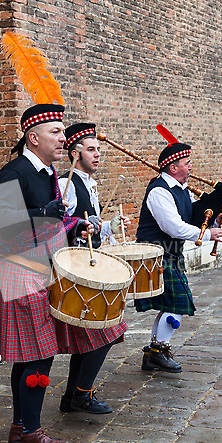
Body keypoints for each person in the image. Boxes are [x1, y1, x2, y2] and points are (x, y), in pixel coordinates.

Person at [0, 104, 93, 443]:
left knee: (31, 356)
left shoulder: (47, 173)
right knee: (39, 356)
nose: (64, 138)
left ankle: (20, 428)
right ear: (34, 137)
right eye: (56, 132)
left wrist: (72, 225)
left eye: (62, 132)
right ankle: (33, 436)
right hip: (19, 270)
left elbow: (50, 219)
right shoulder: (14, 172)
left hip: (37, 269)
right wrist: (40, 214)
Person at [134, 126, 222, 373]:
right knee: (176, 305)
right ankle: (157, 351)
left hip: (170, 253)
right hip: (156, 254)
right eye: (187, 163)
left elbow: (191, 218)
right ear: (173, 167)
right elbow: (174, 227)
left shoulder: (180, 190)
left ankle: (155, 351)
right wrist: (207, 234)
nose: (191, 167)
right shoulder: (159, 191)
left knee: (172, 305)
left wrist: (216, 220)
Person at [56, 122, 131, 415]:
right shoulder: (67, 184)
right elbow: (58, 228)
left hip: (91, 267)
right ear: (75, 156)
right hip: (76, 273)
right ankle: (81, 395)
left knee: (89, 339)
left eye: (99, 149)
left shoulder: (88, 184)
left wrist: (110, 225)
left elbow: (92, 226)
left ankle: (72, 397)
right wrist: (78, 231)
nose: (98, 155)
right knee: (105, 332)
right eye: (91, 150)